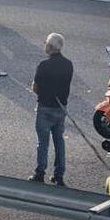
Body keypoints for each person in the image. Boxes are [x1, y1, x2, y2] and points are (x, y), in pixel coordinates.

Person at [29, 33, 73, 186]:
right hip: (61, 109)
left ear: (49, 47)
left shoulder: (43, 65)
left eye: (45, 43)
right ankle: (59, 175)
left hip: (45, 108)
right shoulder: (68, 64)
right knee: (59, 140)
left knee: (43, 142)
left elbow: (35, 87)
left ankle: (40, 172)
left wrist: (44, 93)